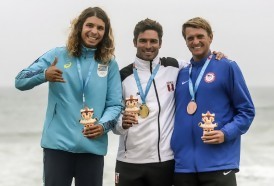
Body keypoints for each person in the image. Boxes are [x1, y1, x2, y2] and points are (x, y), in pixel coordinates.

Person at [15, 7, 122, 186]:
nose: (94, 31)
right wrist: (44, 74)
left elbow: (115, 104)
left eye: (100, 28)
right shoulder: (58, 55)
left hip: (92, 147)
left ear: (105, 32)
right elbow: (19, 80)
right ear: (80, 27)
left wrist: (102, 126)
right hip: (58, 146)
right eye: (90, 25)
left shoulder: (109, 63)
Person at [112, 18, 224, 186]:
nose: (148, 46)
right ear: (135, 42)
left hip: (165, 161)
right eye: (143, 41)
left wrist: (216, 56)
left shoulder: (175, 67)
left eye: (153, 41)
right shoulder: (122, 77)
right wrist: (122, 123)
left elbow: (201, 65)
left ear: (160, 43)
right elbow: (113, 118)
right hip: (129, 162)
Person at [171, 17, 255, 186]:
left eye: (200, 36)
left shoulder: (227, 67)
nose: (195, 41)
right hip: (183, 167)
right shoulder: (181, 74)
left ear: (210, 37)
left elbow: (246, 111)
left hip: (219, 164)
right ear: (186, 42)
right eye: (190, 38)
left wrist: (226, 133)